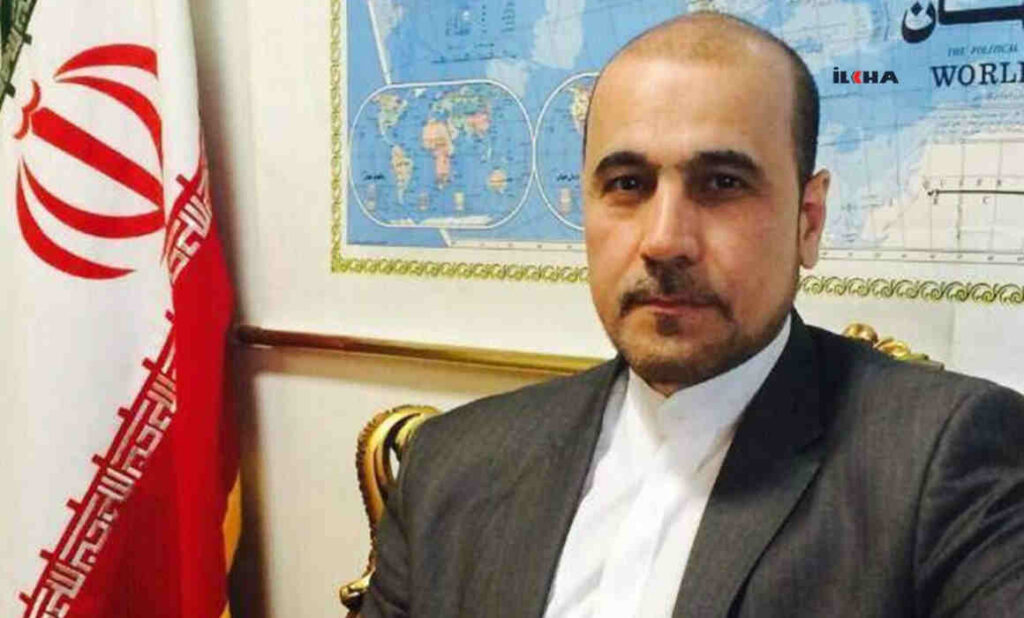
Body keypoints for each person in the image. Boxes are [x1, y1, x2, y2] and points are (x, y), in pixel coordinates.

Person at [361, 11, 1024, 618]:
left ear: (808, 220)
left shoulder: (946, 463)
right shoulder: (450, 464)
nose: (664, 240)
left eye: (722, 184)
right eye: (627, 184)